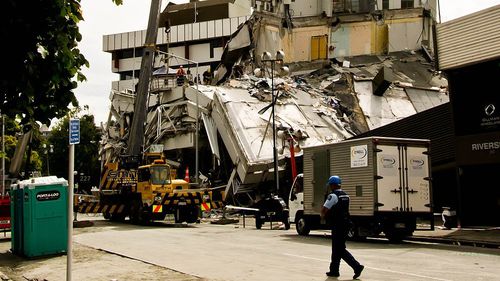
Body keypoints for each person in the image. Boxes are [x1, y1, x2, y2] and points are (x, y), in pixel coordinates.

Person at [321, 175, 364, 279]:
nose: (330, 187)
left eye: (330, 185)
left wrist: (323, 217)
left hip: (338, 225)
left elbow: (324, 209)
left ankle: (356, 266)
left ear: (333, 185)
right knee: (336, 248)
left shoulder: (333, 196)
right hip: (345, 224)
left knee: (339, 249)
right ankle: (334, 270)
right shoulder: (346, 195)